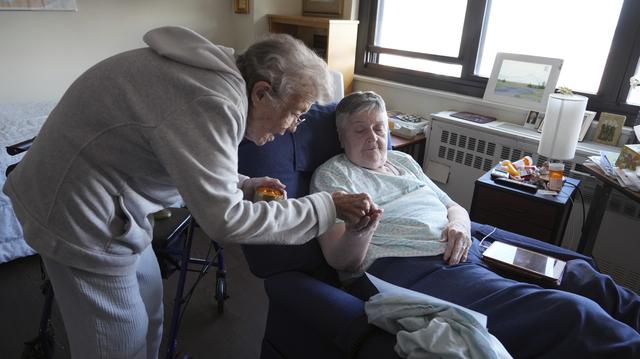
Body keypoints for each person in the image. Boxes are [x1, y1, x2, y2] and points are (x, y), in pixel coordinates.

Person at [3, 26, 378, 358]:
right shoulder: (211, 99)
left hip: (108, 195)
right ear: (262, 93)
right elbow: (224, 220)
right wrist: (326, 208)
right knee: (116, 342)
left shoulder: (221, 79)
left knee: (150, 312)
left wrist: (242, 183)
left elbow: (187, 147)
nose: (294, 127)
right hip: (74, 211)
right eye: (297, 113)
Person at [310, 91, 640, 358]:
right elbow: (340, 261)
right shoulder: (334, 176)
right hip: (411, 265)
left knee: (583, 276)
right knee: (571, 313)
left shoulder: (403, 160)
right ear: (341, 137)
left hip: (469, 245)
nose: (374, 137)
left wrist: (459, 226)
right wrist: (359, 230)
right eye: (359, 129)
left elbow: (453, 206)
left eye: (379, 127)